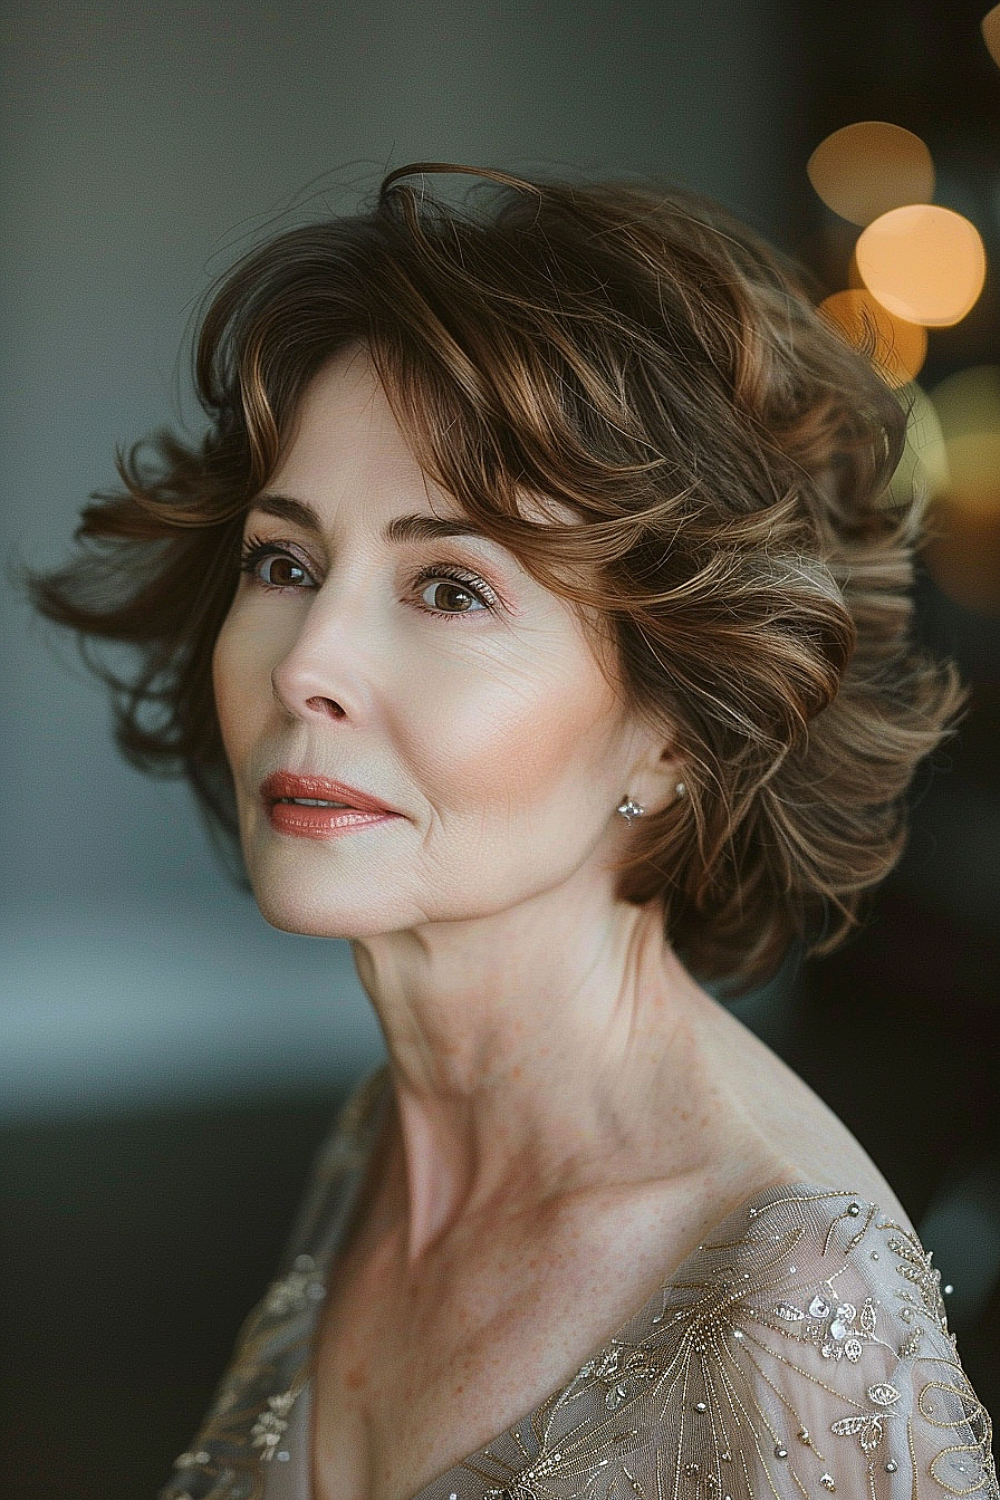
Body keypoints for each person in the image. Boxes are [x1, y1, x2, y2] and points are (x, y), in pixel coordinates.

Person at [33, 162, 997, 1500]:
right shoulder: (392, 1132)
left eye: (448, 587)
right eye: (286, 562)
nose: (308, 660)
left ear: (673, 718)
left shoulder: (793, 1322)